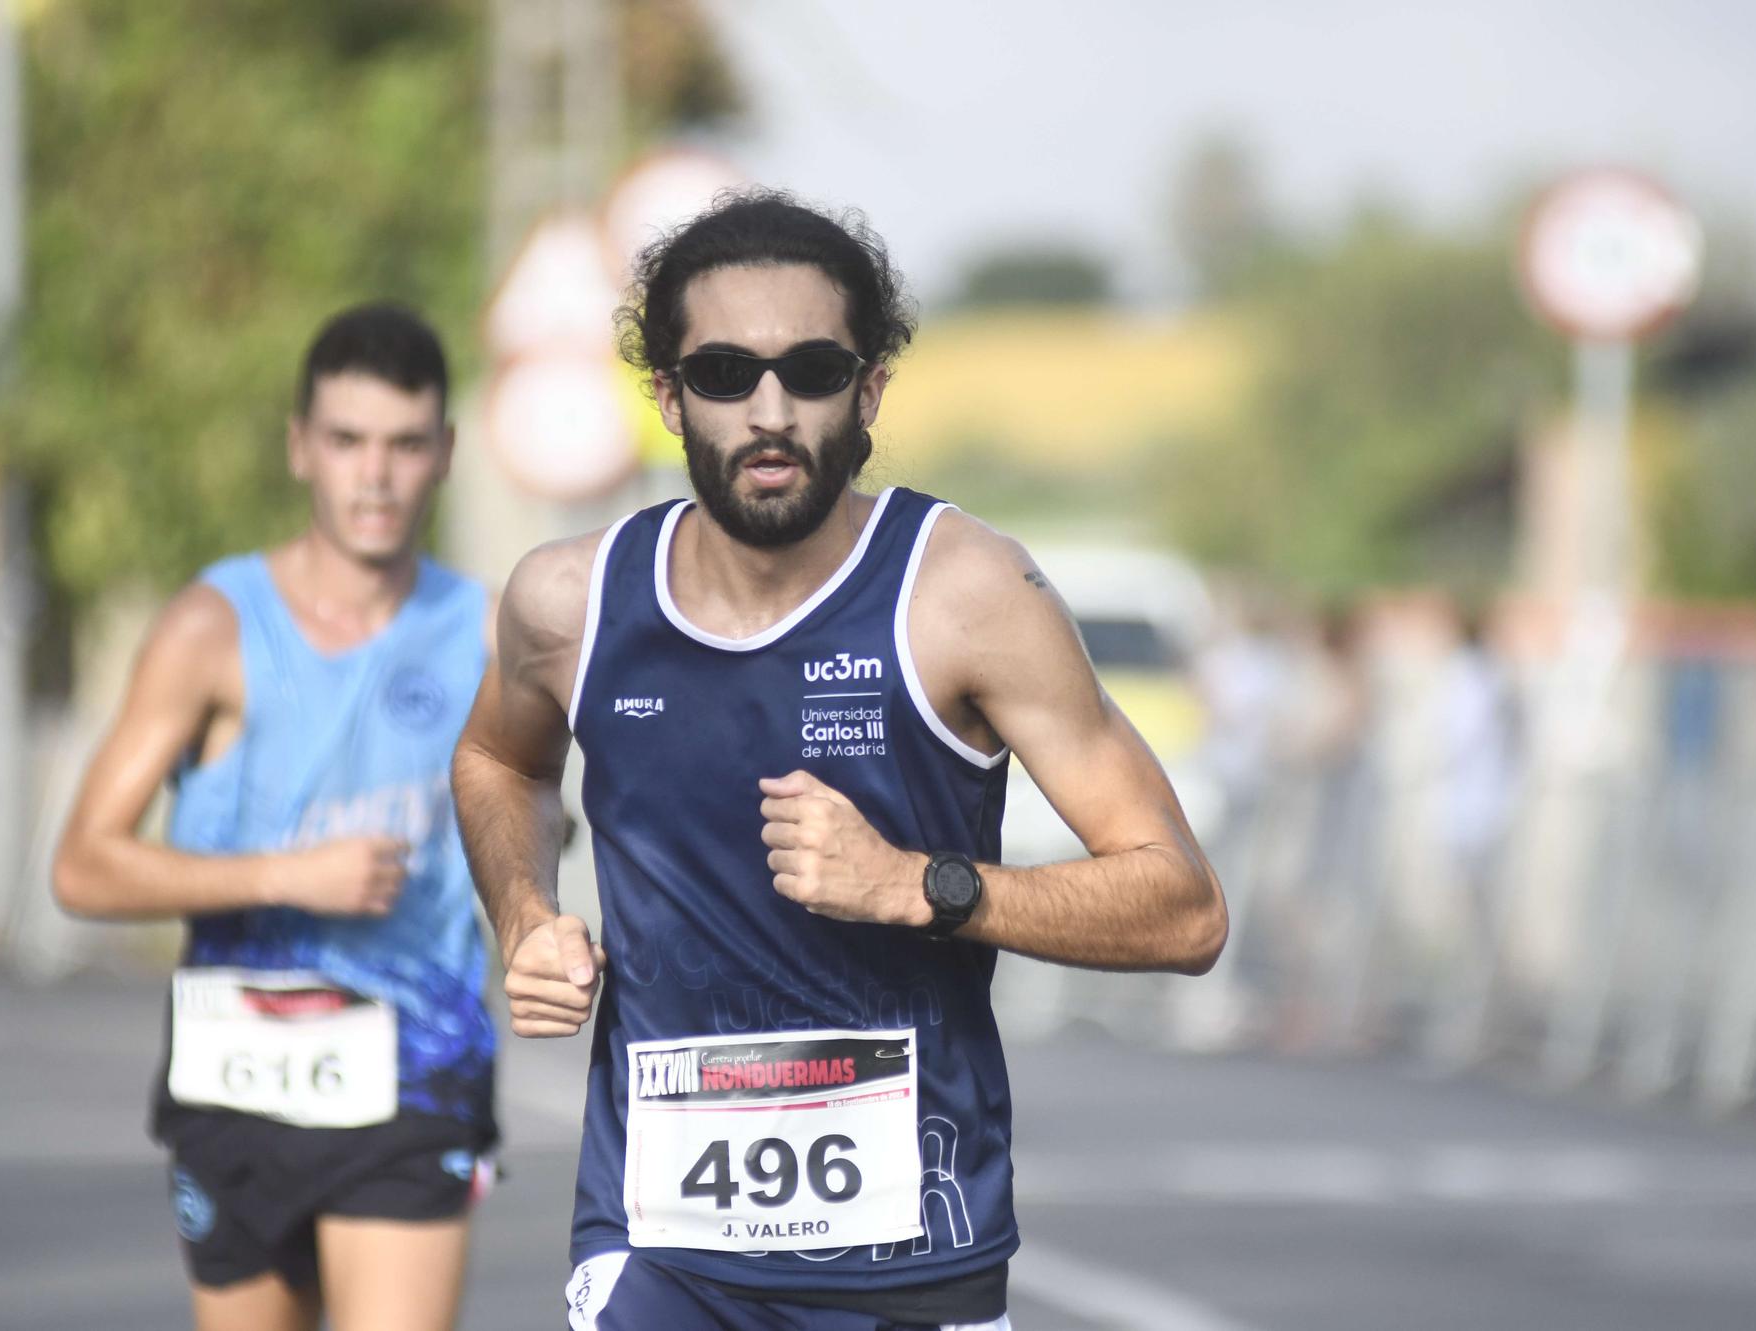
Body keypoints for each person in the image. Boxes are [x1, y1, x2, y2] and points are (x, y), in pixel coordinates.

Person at [451, 191, 1228, 1331]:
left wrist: (920, 885)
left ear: (867, 389)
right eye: (721, 373)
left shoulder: (961, 594)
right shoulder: (569, 601)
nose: (768, 409)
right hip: (656, 1246)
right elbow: (495, 761)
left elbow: (1184, 905)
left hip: (911, 1256)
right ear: (667, 396)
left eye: (810, 368)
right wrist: (524, 913)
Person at [53, 304, 497, 1331]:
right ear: (301, 446)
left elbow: (525, 811)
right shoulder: (211, 626)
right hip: (238, 1069)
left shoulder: (481, 629)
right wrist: (281, 876)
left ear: (444, 453)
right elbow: (82, 865)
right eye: (347, 441)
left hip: (412, 1067)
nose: (374, 475)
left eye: (402, 444)